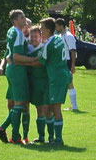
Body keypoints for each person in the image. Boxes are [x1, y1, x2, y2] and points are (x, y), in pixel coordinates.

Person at [28, 17, 72, 145]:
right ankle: (52, 138)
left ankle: (58, 139)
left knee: (55, 108)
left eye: (41, 28)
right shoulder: (59, 38)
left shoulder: (48, 45)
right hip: (63, 74)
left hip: (56, 77)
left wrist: (22, 61)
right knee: (50, 107)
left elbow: (41, 62)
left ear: (47, 29)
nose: (40, 30)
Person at [0, 10, 33, 145]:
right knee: (20, 104)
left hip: (11, 70)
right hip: (17, 70)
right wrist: (35, 59)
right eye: (22, 17)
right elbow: (16, 56)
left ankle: (8, 131)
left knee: (16, 104)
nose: (25, 19)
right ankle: (14, 136)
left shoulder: (11, 30)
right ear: (15, 21)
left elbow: (8, 54)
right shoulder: (18, 34)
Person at [26, 26, 51, 143]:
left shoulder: (44, 48)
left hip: (45, 83)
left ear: (41, 37)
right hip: (34, 83)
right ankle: (41, 136)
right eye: (32, 36)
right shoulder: (27, 49)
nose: (34, 39)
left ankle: (51, 137)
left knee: (47, 109)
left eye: (36, 36)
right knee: (38, 109)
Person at [55, 18, 78, 111]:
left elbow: (73, 50)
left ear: (61, 26)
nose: (56, 28)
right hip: (62, 62)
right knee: (65, 83)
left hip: (67, 62)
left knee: (69, 83)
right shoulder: (60, 35)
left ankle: (74, 106)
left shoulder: (68, 36)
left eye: (57, 26)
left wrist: (72, 65)